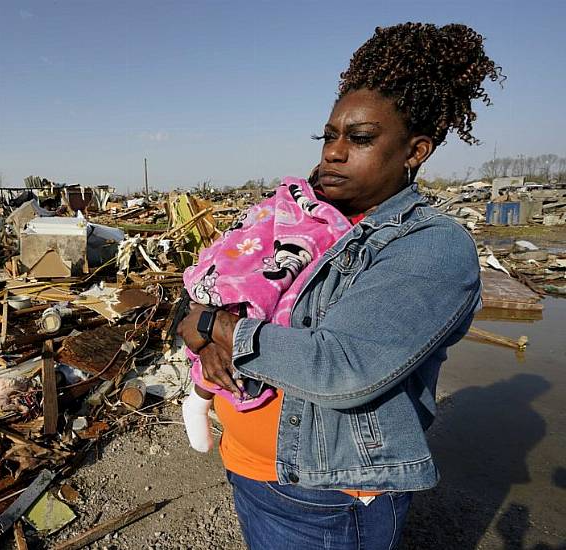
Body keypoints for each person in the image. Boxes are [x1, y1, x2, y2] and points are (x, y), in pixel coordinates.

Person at [177, 22, 502, 549]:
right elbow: (215, 281)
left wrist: (214, 326)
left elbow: (342, 368)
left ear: (415, 151)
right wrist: (195, 325)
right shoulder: (299, 221)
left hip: (330, 496)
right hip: (250, 470)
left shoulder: (429, 246)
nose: (333, 152)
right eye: (329, 136)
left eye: (361, 138)